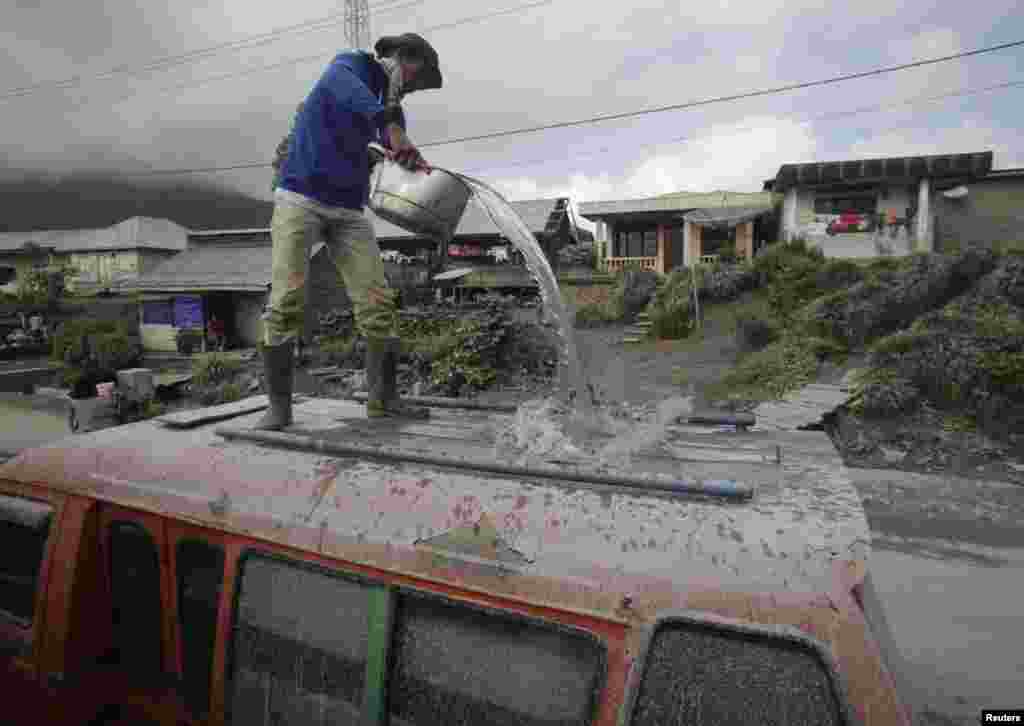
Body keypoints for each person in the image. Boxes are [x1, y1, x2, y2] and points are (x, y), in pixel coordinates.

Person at [257, 33, 443, 430]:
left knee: (378, 304)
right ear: (397, 57)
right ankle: (278, 408)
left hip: (349, 209)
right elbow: (350, 95)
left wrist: (408, 160)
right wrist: (393, 131)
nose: (410, 87)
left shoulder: (392, 111)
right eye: (414, 76)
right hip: (300, 197)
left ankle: (384, 400)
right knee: (285, 301)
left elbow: (389, 144)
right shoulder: (350, 66)